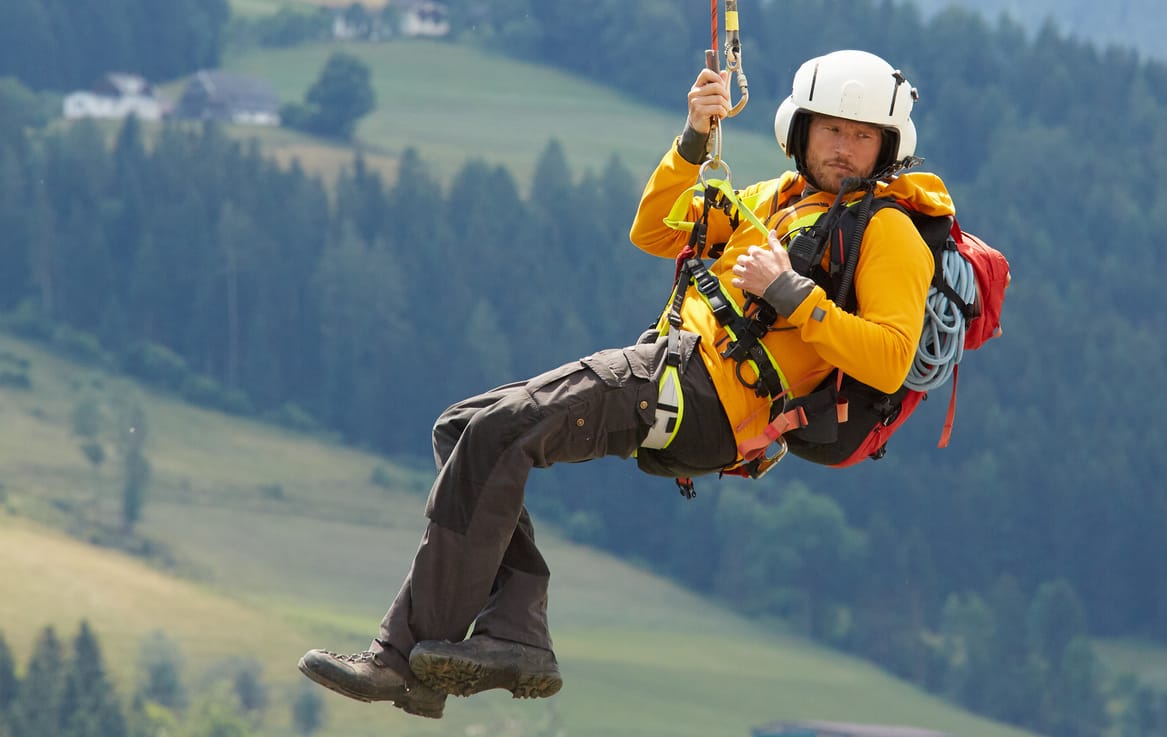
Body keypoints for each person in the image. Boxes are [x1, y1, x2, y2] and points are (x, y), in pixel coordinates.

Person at [297, 48, 954, 719]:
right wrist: (696, 139)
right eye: (832, 130)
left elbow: (889, 358)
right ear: (801, 130)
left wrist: (791, 294)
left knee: (502, 430)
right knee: (466, 428)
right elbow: (654, 229)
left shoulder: (890, 231)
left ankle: (403, 659)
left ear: (887, 147)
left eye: (862, 135)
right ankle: (517, 626)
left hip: (703, 395)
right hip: (672, 375)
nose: (844, 148)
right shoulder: (772, 200)